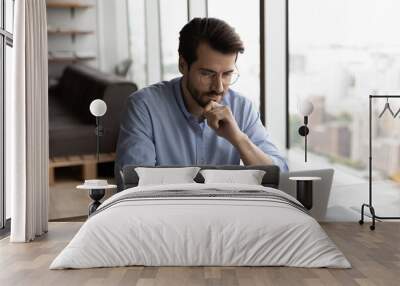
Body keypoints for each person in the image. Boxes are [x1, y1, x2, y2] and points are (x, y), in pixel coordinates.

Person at [115, 17, 288, 177]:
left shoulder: (242, 108)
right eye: (207, 74)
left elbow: (279, 175)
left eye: (227, 74)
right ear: (183, 65)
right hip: (167, 209)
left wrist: (238, 138)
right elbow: (134, 184)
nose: (218, 87)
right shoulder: (144, 106)